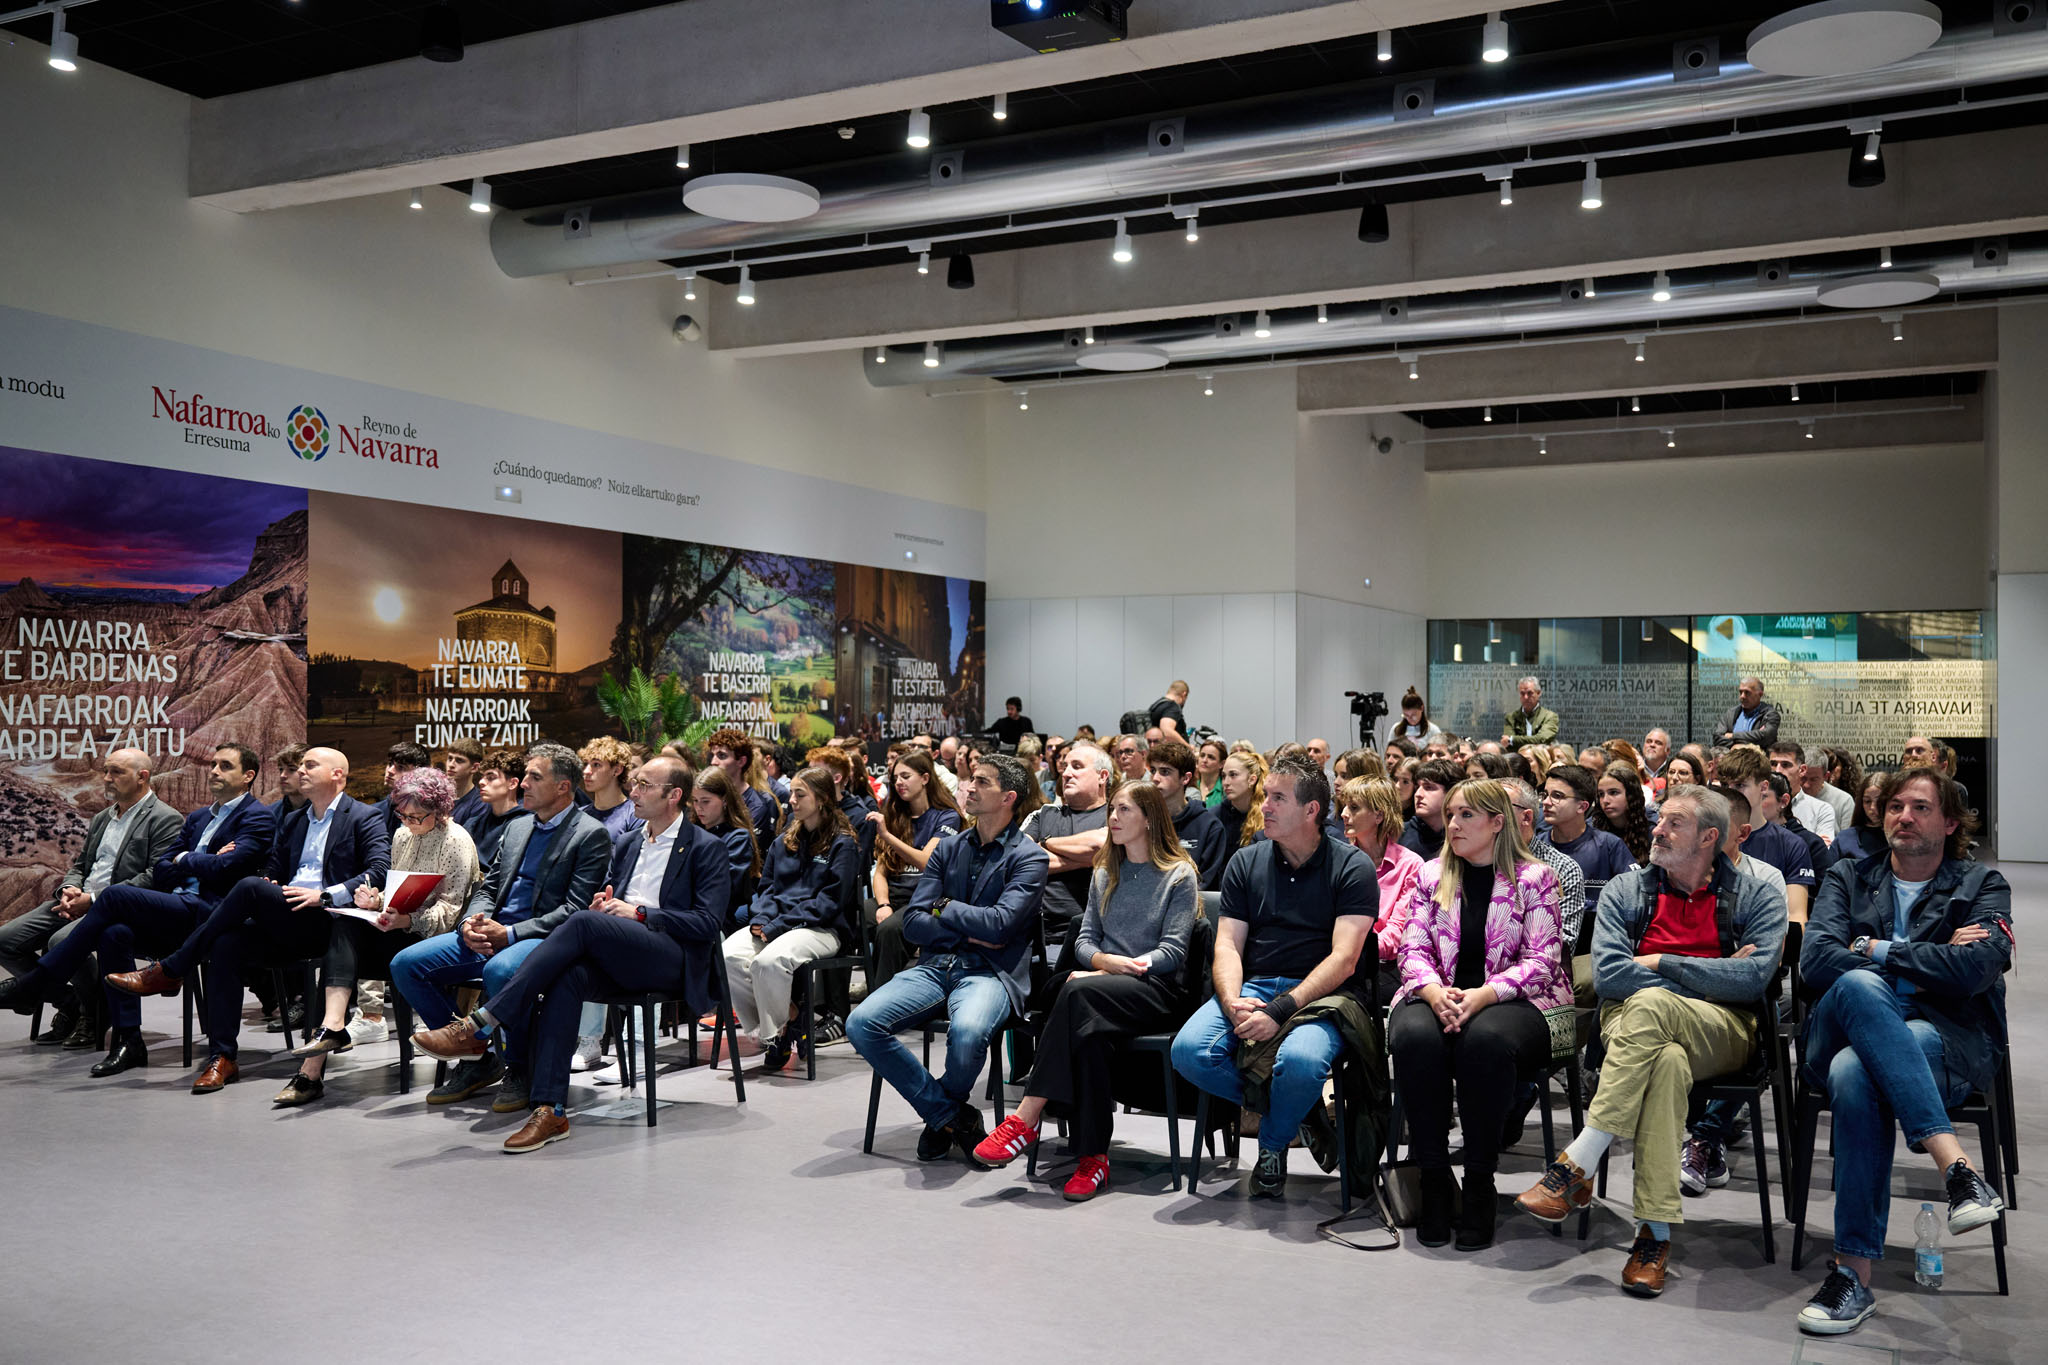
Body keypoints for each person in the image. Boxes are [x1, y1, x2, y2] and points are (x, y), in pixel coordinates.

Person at [1515, 784, 1786, 1297]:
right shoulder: (1627, 889)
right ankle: (1653, 1234)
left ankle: (1581, 1161)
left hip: (1724, 1029)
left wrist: (1660, 962)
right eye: (1659, 819)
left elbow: (1752, 983)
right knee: (1664, 1060)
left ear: (1710, 837)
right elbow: (1612, 976)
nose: (1657, 830)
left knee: (1652, 1005)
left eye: (1673, 823)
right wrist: (1712, 971)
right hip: (1633, 1022)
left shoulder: (1757, 895)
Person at [412, 755, 731, 1153]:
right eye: (635, 783)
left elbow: (706, 924)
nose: (634, 791)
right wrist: (606, 905)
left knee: (580, 922)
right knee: (567, 976)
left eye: (645, 785)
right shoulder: (630, 841)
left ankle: (483, 1021)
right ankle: (552, 1108)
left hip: (672, 960)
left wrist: (641, 913)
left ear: (674, 795)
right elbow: (610, 898)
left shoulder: (705, 848)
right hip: (623, 951)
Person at [1792, 767, 2009, 1336]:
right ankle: (1955, 1167)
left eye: (1919, 807)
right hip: (1835, 1028)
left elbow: (1976, 970)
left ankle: (1852, 1278)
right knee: (1861, 991)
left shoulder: (1981, 886)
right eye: (1894, 807)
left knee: (1857, 1071)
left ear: (1950, 822)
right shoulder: (1847, 876)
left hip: (1940, 1038)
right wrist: (1927, 957)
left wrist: (1875, 947)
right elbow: (1815, 963)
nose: (1903, 817)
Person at [103, 746, 388, 1094]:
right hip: (289, 917)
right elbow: (274, 869)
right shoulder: (294, 820)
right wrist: (270, 881)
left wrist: (324, 895)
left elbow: (378, 871)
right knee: (227, 942)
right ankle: (222, 1057)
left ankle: (172, 968)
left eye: (310, 765)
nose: (300, 771)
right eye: (300, 765)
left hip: (330, 921)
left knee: (249, 888)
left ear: (337, 775)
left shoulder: (363, 816)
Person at [970, 781, 1199, 1198]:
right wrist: (1102, 965)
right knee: (1087, 1034)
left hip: (1157, 991)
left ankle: (1027, 1116)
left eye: (1124, 811)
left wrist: (1116, 970)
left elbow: (1173, 952)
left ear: (1149, 819)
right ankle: (1093, 1159)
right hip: (1102, 992)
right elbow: (1084, 941)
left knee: (1074, 993)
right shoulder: (1104, 872)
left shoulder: (1178, 875)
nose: (1112, 818)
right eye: (1111, 809)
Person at [1170, 755, 1375, 1196]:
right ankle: (1297, 1111)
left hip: (1326, 995)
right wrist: (1231, 1001)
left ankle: (1272, 1143)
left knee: (1300, 1063)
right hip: (1255, 984)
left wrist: (1279, 1011)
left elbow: (1344, 960)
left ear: (1311, 811)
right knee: (1189, 1052)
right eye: (1266, 796)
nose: (1265, 806)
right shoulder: (1246, 861)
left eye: (1278, 798)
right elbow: (1226, 945)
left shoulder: (1352, 866)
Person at [1392, 779, 1570, 1249]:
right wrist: (1433, 993)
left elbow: (1542, 961)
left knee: (1484, 1040)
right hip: (1438, 994)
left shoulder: (1535, 878)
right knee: (1414, 1037)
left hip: (1519, 1001)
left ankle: (1477, 1183)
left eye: (1466, 815)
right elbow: (1411, 947)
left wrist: (1483, 995)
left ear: (1498, 823)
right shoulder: (1431, 875)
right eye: (1450, 814)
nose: (1453, 824)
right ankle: (1431, 1180)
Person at [388, 743, 612, 1111]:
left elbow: (574, 910)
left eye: (534, 777)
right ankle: (476, 1057)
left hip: (542, 939)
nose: (523, 783)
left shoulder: (590, 834)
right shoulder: (519, 826)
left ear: (563, 786)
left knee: (500, 971)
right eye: (525, 775)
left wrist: (509, 934)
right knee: (406, 964)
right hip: (490, 931)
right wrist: (469, 924)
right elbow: (488, 886)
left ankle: (519, 1068)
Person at [848, 755, 1048, 1161]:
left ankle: (943, 1115)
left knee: (970, 1033)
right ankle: (950, 1114)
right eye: (970, 779)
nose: (968, 787)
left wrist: (944, 907)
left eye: (981, 782)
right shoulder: (949, 848)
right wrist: (967, 922)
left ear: (1007, 797)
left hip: (989, 973)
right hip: (934, 966)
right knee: (862, 1023)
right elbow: (913, 925)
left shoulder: (1030, 857)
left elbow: (1001, 926)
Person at [276, 767, 479, 1106]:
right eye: (404, 815)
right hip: (398, 929)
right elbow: (396, 890)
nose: (410, 822)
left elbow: (454, 911)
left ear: (441, 809)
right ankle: (329, 1035)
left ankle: (313, 1068)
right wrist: (376, 900)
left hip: (430, 938)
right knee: (341, 927)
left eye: (418, 816)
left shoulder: (456, 840)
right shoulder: (402, 835)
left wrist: (408, 919)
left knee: (338, 954)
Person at [0, 747, 182, 1052]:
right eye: (105, 771)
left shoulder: (165, 819)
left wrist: (94, 900)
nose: (107, 779)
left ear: (143, 777)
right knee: (5, 940)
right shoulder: (102, 818)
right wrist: (68, 891)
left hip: (120, 908)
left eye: (116, 772)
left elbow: (155, 876)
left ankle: (91, 1014)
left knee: (60, 942)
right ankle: (73, 1002)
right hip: (79, 901)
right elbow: (81, 865)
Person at [724, 767, 861, 1071]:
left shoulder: (843, 844)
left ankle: (775, 1036)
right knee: (729, 956)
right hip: (777, 924)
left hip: (823, 928)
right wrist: (761, 919)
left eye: (801, 794)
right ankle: (791, 1018)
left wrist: (776, 926)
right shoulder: (783, 841)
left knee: (769, 962)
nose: (792, 801)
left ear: (823, 799)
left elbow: (829, 903)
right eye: (792, 794)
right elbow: (766, 890)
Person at [866, 749, 963, 990]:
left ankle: (879, 1000)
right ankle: (835, 1006)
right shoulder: (895, 814)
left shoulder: (947, 817)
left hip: (929, 901)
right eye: (895, 777)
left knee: (889, 930)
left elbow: (925, 861)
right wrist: (883, 904)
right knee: (846, 915)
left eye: (906, 776)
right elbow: (881, 871)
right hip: (895, 898)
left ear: (925, 778)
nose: (898, 783)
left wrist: (887, 836)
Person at [1337, 776, 1424, 1005]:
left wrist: (1351, 951)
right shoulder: (1338, 861)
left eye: (1354, 807)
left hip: (1384, 965)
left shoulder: (1410, 865)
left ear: (1379, 815)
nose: (1344, 814)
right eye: (1344, 806)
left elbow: (1397, 933)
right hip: (1342, 956)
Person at [1020, 740, 1113, 941]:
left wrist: (1045, 844)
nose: (1066, 773)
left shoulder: (1116, 815)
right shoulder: (1044, 814)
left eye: (1077, 766)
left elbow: (1101, 844)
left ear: (1102, 776)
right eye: (1065, 767)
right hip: (1034, 933)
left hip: (1092, 935)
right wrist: (1086, 859)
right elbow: (1022, 860)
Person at [1536, 764, 1635, 912]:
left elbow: (1634, 895)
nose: (1546, 802)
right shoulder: (1535, 847)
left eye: (1557, 796)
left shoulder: (1609, 845)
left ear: (1582, 807)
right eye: (1545, 795)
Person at [1148, 738, 1228, 891]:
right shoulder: (1144, 821)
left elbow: (1204, 884)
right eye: (1153, 771)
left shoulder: (1210, 827)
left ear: (1185, 778)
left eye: (1165, 772)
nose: (1155, 778)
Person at [691, 767, 763, 926]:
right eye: (695, 801)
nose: (699, 807)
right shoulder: (691, 832)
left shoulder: (738, 838)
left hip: (721, 914)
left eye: (705, 801)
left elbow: (722, 888)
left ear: (725, 800)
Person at [707, 728, 781, 854]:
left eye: (722, 756)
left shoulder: (758, 805)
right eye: (712, 755)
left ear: (741, 761)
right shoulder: (709, 796)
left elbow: (743, 851)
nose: (713, 762)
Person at [461, 749, 528, 867]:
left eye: (491, 777)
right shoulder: (473, 824)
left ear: (512, 783)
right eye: (482, 777)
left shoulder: (526, 824)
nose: (481, 782)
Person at [579, 736, 645, 841]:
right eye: (586, 764)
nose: (586, 771)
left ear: (617, 770)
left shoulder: (635, 815)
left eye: (596, 764)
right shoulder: (578, 815)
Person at [1770, 742, 1838, 843]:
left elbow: (1821, 850)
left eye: (1785, 765)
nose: (1778, 770)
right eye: (1773, 764)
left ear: (1802, 770)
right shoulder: (1756, 804)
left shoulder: (1821, 810)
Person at [1399, 758, 1462, 862]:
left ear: (1451, 793)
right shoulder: (1399, 834)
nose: (1418, 794)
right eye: (1417, 787)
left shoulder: (1461, 835)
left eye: (1428, 787)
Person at [367, 741, 431, 840]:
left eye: (400, 767)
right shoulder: (371, 813)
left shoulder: (433, 815)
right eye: (390, 764)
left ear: (419, 773)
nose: (390, 770)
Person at [1594, 765, 1654, 866]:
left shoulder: (1653, 828)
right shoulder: (1592, 828)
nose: (1605, 800)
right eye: (1601, 794)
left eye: (1613, 793)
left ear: (1631, 795)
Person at [1214, 748, 1266, 852]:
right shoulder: (1215, 816)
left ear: (1252, 779)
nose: (1226, 782)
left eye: (1233, 775)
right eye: (1223, 776)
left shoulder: (1268, 814)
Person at [1712, 676, 1781, 749]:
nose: (1742, 696)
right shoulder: (1731, 714)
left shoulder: (1770, 714)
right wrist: (1753, 738)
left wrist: (1733, 736)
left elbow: (1766, 736)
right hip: (1731, 759)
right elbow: (1717, 738)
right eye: (1740, 692)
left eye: (1747, 692)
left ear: (1760, 694)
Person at [1834, 770, 1889, 861]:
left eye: (1879, 801)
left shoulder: (1900, 837)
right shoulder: (1845, 838)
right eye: (1867, 801)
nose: (1873, 808)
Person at [442, 735, 487, 829]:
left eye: (459, 760)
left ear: (474, 767)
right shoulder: (438, 797)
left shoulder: (480, 803)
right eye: (450, 758)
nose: (451, 765)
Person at [1502, 677, 1559, 751]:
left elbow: (1542, 739)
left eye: (1530, 693)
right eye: (1522, 693)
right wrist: (1510, 741)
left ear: (1538, 693)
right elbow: (1507, 744)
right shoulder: (1511, 717)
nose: (1526, 697)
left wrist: (1512, 739)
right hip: (1518, 759)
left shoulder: (1549, 716)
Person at [270, 744, 309, 818]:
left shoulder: (322, 811)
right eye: (281, 769)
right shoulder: (270, 813)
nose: (282, 775)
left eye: (292, 769)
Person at [1193, 738, 1229, 809]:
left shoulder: (1226, 790)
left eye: (1211, 757)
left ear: (1222, 764)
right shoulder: (1190, 787)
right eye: (1202, 755)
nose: (1204, 760)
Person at [1640, 728, 1673, 799]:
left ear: (1667, 751)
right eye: (1649, 741)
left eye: (1658, 743)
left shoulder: (1673, 771)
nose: (1652, 745)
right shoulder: (1634, 768)